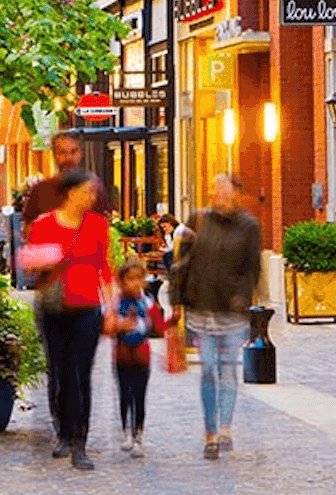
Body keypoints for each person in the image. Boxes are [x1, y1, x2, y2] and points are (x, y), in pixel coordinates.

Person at [23, 169, 113, 471]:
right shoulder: (45, 224)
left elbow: (105, 267)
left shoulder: (98, 224)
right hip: (54, 307)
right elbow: (29, 264)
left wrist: (111, 308)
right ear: (72, 193)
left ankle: (80, 443)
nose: (93, 196)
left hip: (88, 306)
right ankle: (61, 431)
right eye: (88, 191)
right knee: (59, 372)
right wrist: (46, 258)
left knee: (81, 375)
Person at [171, 174, 261, 461]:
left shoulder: (249, 227)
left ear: (236, 193)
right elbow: (180, 261)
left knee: (228, 371)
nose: (217, 194)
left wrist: (243, 297)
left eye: (223, 190)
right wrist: (176, 300)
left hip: (232, 312)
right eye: (214, 189)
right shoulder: (198, 219)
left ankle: (225, 429)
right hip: (201, 307)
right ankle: (210, 432)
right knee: (209, 369)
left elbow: (252, 268)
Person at [108, 258, 177, 457]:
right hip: (121, 357)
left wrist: (170, 323)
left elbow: (157, 328)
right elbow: (107, 327)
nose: (136, 283)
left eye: (140, 278)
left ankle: (138, 434)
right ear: (121, 281)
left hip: (142, 358)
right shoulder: (116, 303)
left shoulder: (148, 303)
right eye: (131, 279)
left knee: (139, 397)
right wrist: (119, 326)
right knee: (124, 396)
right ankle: (125, 433)